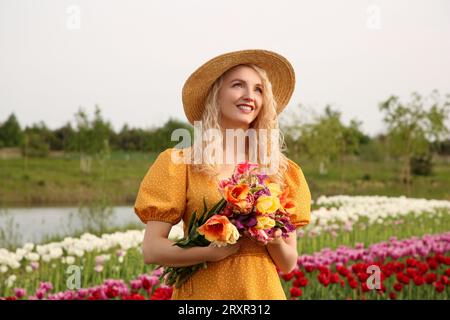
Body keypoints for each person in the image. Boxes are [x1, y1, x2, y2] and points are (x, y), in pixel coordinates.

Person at [134, 49, 311, 299]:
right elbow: (152, 249)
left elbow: (288, 263)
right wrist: (209, 252)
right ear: (215, 95)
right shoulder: (181, 163)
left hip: (261, 295)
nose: (250, 96)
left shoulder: (281, 171)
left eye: (259, 89)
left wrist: (270, 235)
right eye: (238, 85)